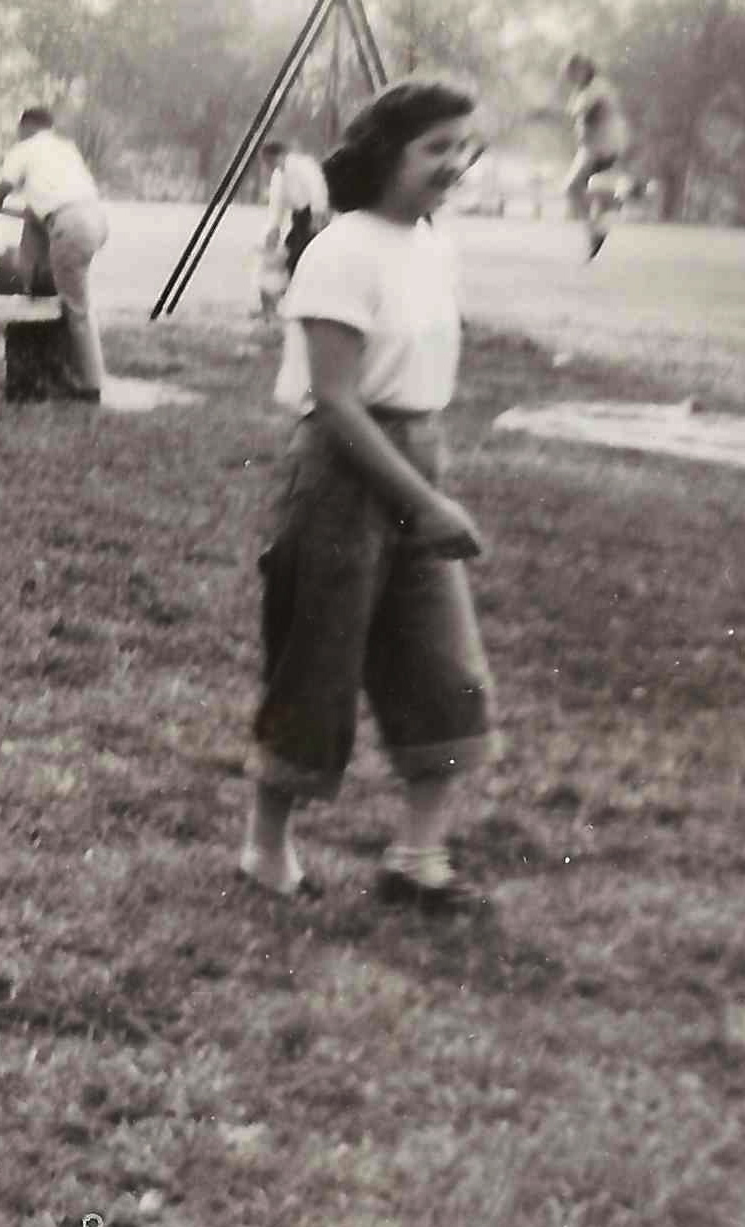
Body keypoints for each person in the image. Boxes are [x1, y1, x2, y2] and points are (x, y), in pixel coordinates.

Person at [239, 80, 502, 920]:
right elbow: (334, 399)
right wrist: (423, 502)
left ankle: (418, 857)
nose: (453, 165)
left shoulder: (434, 246)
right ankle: (266, 847)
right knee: (316, 659)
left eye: (463, 148)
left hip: (418, 453)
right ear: (388, 151)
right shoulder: (342, 248)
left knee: (444, 665)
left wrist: (426, 491)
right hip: (341, 472)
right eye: (436, 148)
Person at [0, 106, 108, 404]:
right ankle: (59, 373)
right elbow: (38, 211)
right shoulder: (64, 149)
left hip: (70, 225)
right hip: (93, 218)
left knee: (76, 309)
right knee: (62, 297)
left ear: (24, 127)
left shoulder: (24, 149)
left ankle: (89, 388)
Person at [562, 54, 630, 261]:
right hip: (596, 145)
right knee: (587, 192)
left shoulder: (596, 88)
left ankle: (597, 228)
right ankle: (598, 226)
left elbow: (581, 113)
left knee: (572, 188)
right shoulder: (585, 89)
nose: (570, 77)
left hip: (601, 145)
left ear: (584, 69)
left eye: (572, 72)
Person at [260, 137, 330, 278]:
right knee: (290, 251)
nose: (268, 165)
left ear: (279, 155)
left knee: (306, 254)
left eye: (269, 161)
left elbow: (317, 186)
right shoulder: (278, 175)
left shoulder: (302, 164)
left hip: (314, 213)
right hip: (299, 216)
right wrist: (274, 227)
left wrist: (317, 214)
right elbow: (276, 204)